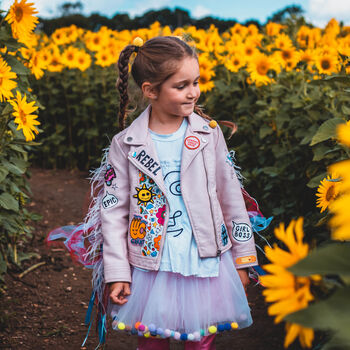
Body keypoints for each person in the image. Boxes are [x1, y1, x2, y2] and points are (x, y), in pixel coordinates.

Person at [47, 35, 271, 350]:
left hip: (205, 260)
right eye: (181, 86)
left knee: (201, 341)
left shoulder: (208, 136)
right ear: (150, 90)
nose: (194, 92)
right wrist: (117, 271)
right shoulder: (125, 145)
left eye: (196, 81)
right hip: (151, 265)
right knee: (152, 342)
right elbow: (113, 213)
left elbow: (231, 199)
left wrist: (244, 256)